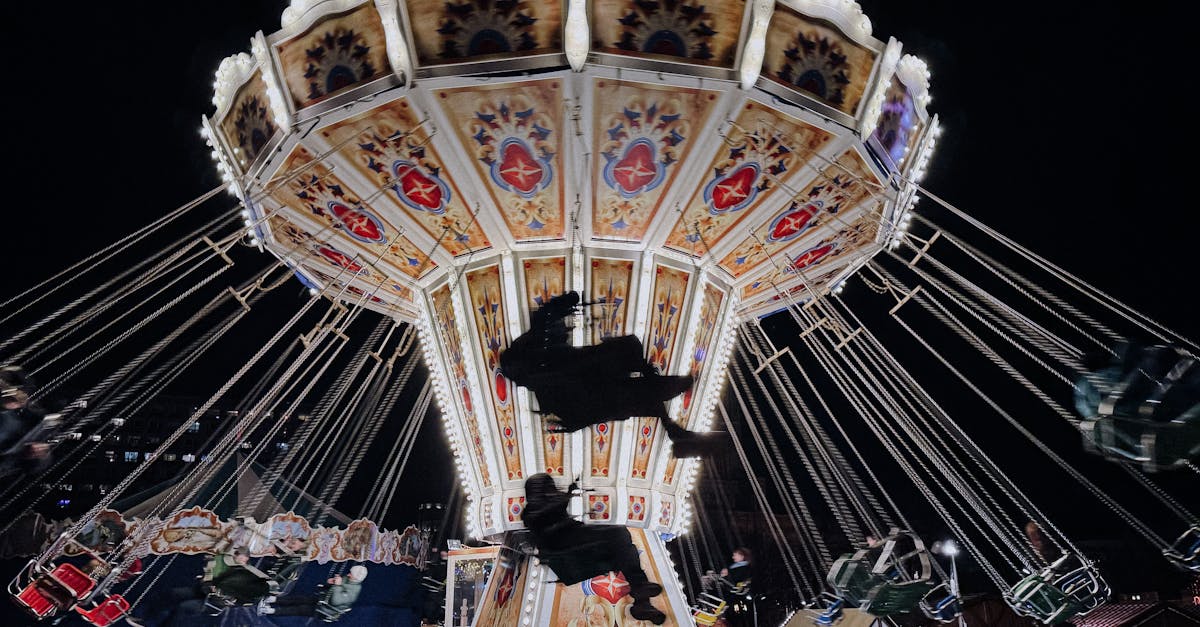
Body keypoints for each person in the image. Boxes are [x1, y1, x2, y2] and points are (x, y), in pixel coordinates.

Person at [500, 291, 725, 458]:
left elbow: (547, 320)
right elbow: (547, 319)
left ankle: (674, 425)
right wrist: (566, 302)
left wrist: (565, 304)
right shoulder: (541, 360)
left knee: (636, 383)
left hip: (598, 388)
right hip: (596, 383)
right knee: (633, 368)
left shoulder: (542, 381)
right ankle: (674, 422)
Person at [521, 473, 666, 625]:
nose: (552, 490)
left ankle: (642, 603)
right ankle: (639, 589)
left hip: (578, 547)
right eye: (549, 487)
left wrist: (570, 491)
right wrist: (568, 494)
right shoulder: (531, 514)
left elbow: (557, 505)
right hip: (567, 550)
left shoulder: (550, 505)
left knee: (624, 550)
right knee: (617, 533)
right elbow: (548, 512)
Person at [125, 548, 272, 626]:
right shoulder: (226, 564)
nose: (237, 561)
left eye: (241, 559)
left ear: (246, 560)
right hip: (203, 590)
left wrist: (227, 596)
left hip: (214, 603)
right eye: (236, 557)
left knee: (184, 607)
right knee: (172, 594)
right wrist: (207, 578)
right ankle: (146, 619)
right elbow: (212, 576)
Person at [258, 564, 367, 619]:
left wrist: (337, 585)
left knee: (299, 609)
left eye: (351, 574)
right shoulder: (348, 579)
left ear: (356, 578)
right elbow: (334, 587)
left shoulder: (354, 591)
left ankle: (268, 610)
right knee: (299, 599)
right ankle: (272, 599)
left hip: (326, 609)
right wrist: (331, 583)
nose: (348, 574)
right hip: (323, 599)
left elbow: (335, 601)